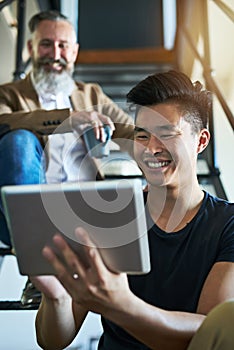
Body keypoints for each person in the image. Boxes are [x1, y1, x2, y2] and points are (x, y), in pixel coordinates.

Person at [31, 70, 234, 350]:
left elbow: (212, 333)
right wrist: (57, 298)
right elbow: (52, 341)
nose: (151, 149)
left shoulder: (228, 224)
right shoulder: (109, 218)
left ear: (200, 141)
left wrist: (120, 305)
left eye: (166, 134)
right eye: (142, 136)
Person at [0, 11, 134, 306]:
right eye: (47, 44)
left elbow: (133, 134)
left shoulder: (91, 94)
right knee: (18, 140)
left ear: (74, 52)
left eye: (63, 46)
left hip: (83, 211)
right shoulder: (8, 94)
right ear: (31, 48)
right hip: (21, 214)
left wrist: (168, 141)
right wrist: (68, 119)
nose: (55, 54)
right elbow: (2, 123)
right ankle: (38, 263)